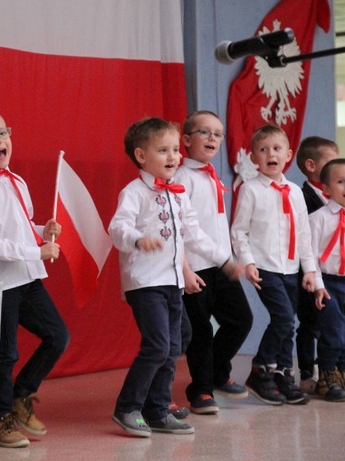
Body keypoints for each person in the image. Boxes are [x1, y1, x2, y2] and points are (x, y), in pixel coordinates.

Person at [108, 117, 240, 438]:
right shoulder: (135, 192)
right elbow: (117, 227)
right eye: (163, 150)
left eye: (174, 150)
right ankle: (128, 407)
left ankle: (157, 408)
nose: (173, 157)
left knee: (178, 340)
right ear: (141, 156)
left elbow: (195, 234)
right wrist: (138, 239)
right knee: (157, 345)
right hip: (145, 281)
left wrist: (224, 260)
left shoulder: (178, 194)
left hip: (172, 282)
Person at [0, 105, 70, 448]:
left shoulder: (16, 181)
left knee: (57, 335)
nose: (0, 140)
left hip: (26, 278)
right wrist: (38, 251)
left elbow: (20, 227)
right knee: (4, 355)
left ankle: (22, 395)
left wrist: (41, 230)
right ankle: (0, 419)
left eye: (4, 132)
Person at [230, 124, 317, 406]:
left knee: (288, 324)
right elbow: (239, 230)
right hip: (265, 266)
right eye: (263, 149)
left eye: (277, 148)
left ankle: (283, 376)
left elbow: (303, 234)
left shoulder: (294, 192)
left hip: (291, 268)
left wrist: (310, 270)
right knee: (282, 318)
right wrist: (248, 262)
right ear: (254, 157)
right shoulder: (250, 190)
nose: (271, 154)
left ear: (288, 154)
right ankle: (260, 369)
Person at [173, 111, 253, 414]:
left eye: (217, 134)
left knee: (241, 319)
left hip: (219, 263)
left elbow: (215, 224)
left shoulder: (211, 176)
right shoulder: (182, 178)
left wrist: (229, 258)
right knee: (201, 331)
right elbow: (186, 232)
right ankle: (201, 390)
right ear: (186, 140)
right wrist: (188, 270)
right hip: (196, 267)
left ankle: (218, 373)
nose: (212, 138)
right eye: (204, 132)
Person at [295, 136, 339, 393]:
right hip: (309, 273)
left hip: (334, 274)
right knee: (310, 323)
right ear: (311, 166)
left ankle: (330, 373)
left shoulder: (337, 197)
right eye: (332, 161)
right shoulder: (302, 197)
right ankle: (305, 372)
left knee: (333, 325)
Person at [308, 158, 345, 401]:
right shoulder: (319, 218)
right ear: (327, 189)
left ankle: (341, 372)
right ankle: (326, 375)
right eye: (341, 181)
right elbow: (310, 254)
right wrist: (318, 285)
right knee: (334, 332)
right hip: (328, 283)